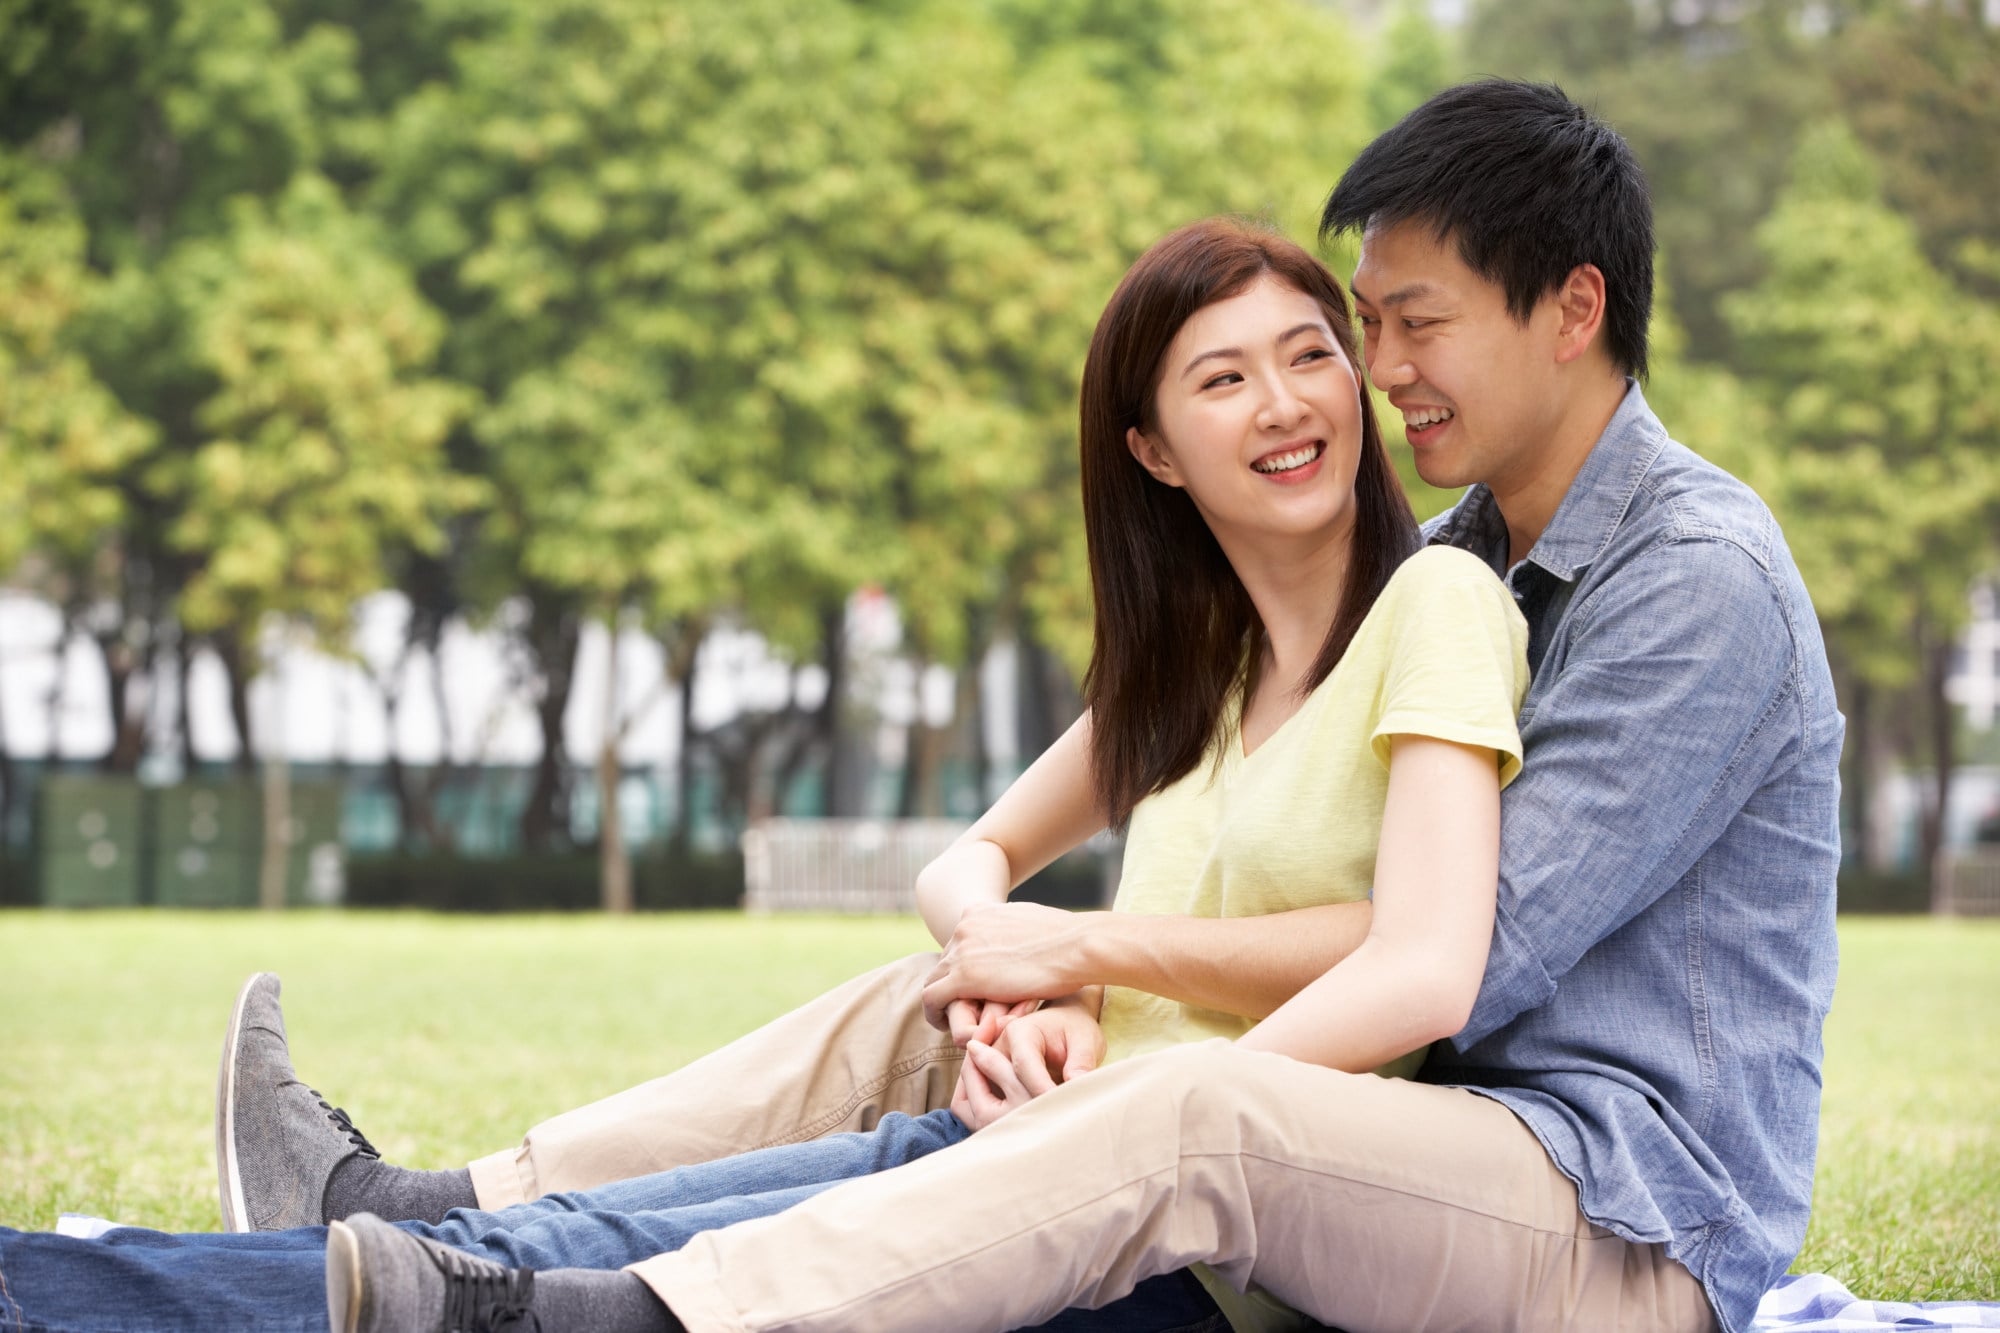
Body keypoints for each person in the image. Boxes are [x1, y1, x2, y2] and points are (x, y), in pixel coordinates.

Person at [302, 77, 1838, 1333]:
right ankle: (462, 1214)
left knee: (1176, 1114)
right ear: (1151, 449)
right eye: (1364, 323)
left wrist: (1101, 992)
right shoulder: (1463, 556)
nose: (1374, 375)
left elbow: (1457, 953)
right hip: (1422, 1142)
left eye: (1408, 324)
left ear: (1573, 310)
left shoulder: (1694, 582)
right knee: (983, 1030)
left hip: (1621, 1214)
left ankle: (617, 1314)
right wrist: (1063, 995)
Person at [0, 215, 1531, 1333]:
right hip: (1024, 1149)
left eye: (1311, 355)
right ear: (1149, 451)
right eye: (1225, 379)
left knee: (555, 1279)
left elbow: (1416, 945)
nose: (1287, 403)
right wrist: (1024, 984)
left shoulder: (1436, 608)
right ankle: (155, 1264)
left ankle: (143, 1268)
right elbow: (971, 870)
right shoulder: (1192, 680)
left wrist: (1079, 960)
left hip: (1154, 1229)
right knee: (559, 1251)